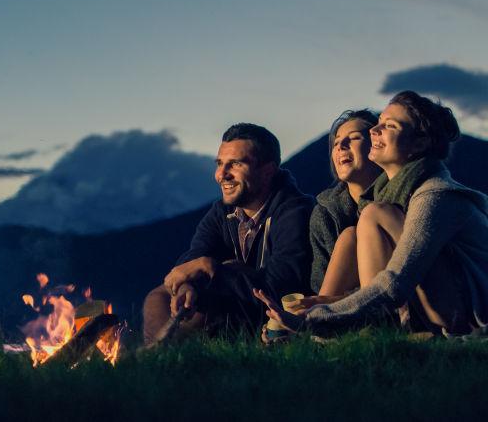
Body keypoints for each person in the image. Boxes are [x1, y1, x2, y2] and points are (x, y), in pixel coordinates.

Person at [256, 91, 488, 337]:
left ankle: (369, 329)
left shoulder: (434, 195)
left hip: (467, 316)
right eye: (378, 124)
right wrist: (322, 304)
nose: (375, 130)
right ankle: (335, 332)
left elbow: (395, 282)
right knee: (353, 232)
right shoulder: (388, 198)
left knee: (373, 215)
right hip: (436, 304)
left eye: (389, 126)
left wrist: (314, 318)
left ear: (420, 143)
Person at [142, 123, 314, 345]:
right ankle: (158, 356)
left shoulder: (294, 211)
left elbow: (280, 286)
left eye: (235, 164)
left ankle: (165, 356)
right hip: (235, 306)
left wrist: (213, 269)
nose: (221, 175)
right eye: (220, 164)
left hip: (274, 319)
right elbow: (193, 257)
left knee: (222, 280)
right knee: (159, 297)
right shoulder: (223, 212)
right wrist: (187, 284)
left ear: (267, 171)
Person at [309, 109, 382, 295]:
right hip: (336, 305)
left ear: (378, 146)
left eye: (355, 138)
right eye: (336, 142)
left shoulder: (396, 201)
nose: (341, 145)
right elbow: (320, 282)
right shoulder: (325, 211)